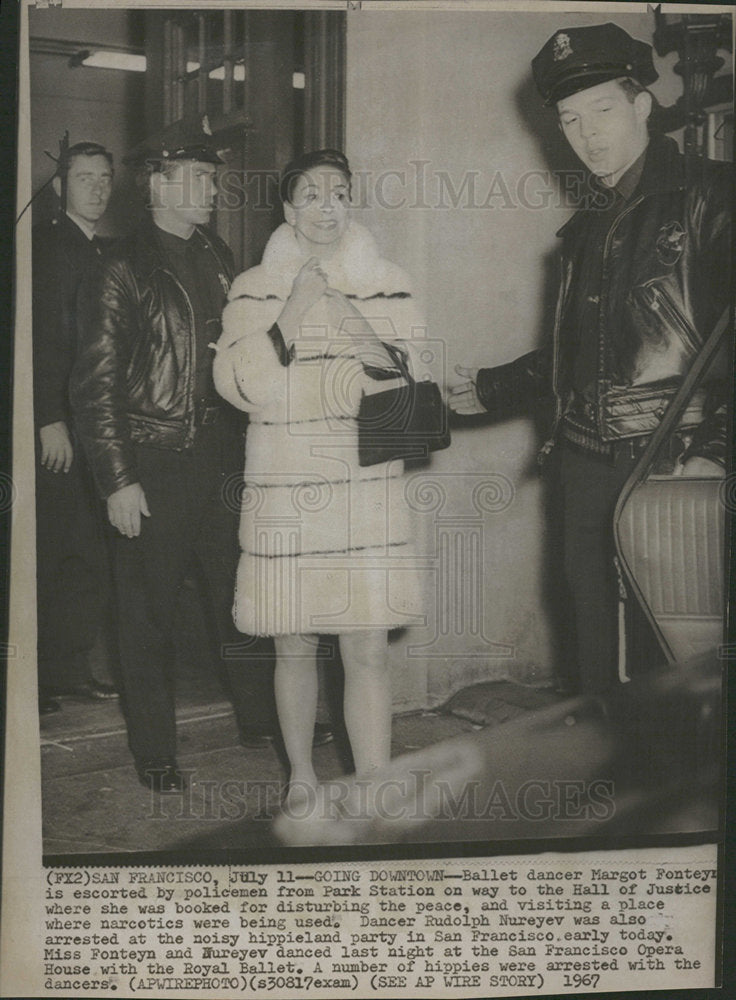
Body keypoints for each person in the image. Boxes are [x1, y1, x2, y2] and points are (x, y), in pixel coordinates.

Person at [449, 23, 731, 697]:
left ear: (642, 105)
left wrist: (716, 449)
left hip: (670, 456)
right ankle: (608, 783)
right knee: (593, 650)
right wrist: (493, 387)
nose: (587, 135)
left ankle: (670, 792)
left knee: (673, 653)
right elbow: (585, 351)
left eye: (602, 111)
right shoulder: (585, 227)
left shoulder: (711, 195)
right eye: (570, 120)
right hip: (581, 458)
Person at [70, 121, 299, 793]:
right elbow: (94, 385)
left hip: (223, 456)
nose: (213, 189)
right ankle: (155, 750)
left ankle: (261, 718)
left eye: (214, 177)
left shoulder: (219, 252)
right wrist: (118, 480)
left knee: (242, 597)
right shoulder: (119, 265)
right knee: (147, 614)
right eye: (199, 178)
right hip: (154, 460)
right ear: (158, 184)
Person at [213, 149, 428, 807]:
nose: (326, 206)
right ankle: (302, 776)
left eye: (337, 193)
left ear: (350, 203)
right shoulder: (253, 286)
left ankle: (373, 781)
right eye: (310, 195)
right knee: (296, 645)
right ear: (289, 210)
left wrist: (354, 320)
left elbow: (411, 383)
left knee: (365, 648)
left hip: (363, 491)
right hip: (287, 488)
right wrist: (295, 310)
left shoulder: (389, 280)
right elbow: (238, 385)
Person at [33, 140, 119, 714]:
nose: (96, 186)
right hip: (59, 427)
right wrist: (46, 420)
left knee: (88, 553)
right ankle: (32, 680)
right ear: (61, 187)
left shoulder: (108, 252)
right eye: (84, 177)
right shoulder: (42, 247)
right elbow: (34, 340)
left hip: (97, 428)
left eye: (104, 177)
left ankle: (68, 669)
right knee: (49, 552)